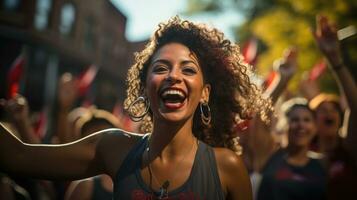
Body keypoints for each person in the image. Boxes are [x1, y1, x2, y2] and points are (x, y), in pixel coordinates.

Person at [0, 16, 272, 200]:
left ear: (205, 93)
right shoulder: (114, 149)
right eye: (161, 68)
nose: (173, 76)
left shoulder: (227, 168)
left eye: (188, 69)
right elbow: (18, 157)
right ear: (144, 88)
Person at [310, 15, 357, 199]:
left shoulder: (348, 149)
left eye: (334, 109)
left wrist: (335, 60)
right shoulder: (301, 153)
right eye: (322, 110)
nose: (329, 112)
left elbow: (355, 106)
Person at [257, 98, 327, 200]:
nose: (301, 125)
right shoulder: (270, 156)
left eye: (307, 120)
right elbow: (259, 120)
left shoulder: (323, 163)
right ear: (284, 125)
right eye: (294, 120)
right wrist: (283, 82)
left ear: (315, 127)